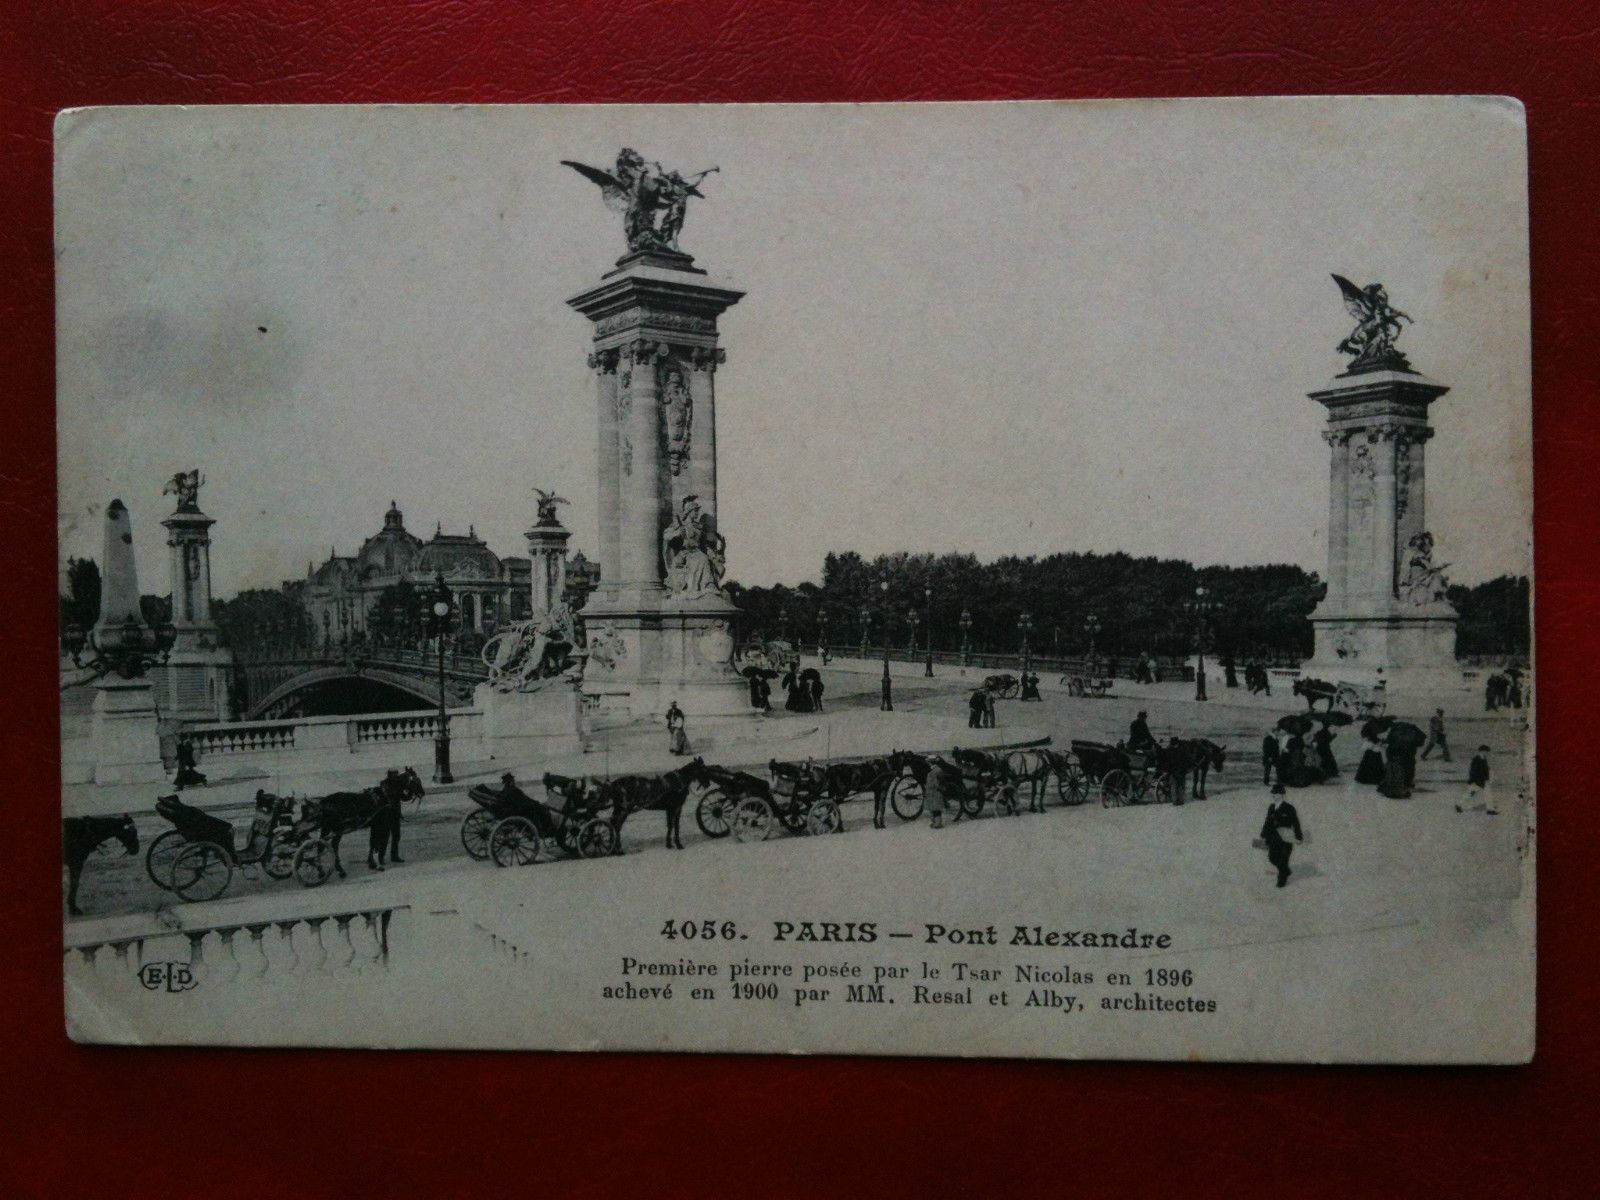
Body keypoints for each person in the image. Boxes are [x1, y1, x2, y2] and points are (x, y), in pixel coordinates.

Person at [1259, 786, 1303, 887]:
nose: (1274, 795)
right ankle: (1285, 870)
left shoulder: (1289, 808)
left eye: (1276, 793)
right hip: (1273, 838)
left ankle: (1281, 880)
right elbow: (1268, 821)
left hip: (1286, 839)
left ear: (1282, 794)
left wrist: (1298, 836)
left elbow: (1295, 823)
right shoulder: (1271, 807)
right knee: (1272, 858)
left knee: (1283, 859)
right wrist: (1264, 834)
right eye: (1273, 793)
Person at [1460, 745, 1496, 814]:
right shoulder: (1476, 759)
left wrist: (1487, 778)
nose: (1487, 753)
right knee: (1469, 794)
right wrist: (1472, 781)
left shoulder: (1483, 758)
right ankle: (1459, 805)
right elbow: (1472, 771)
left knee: (1488, 794)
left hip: (1483, 781)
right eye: (1486, 752)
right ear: (1482, 751)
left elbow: (1485, 770)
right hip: (1477, 781)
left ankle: (1490, 810)